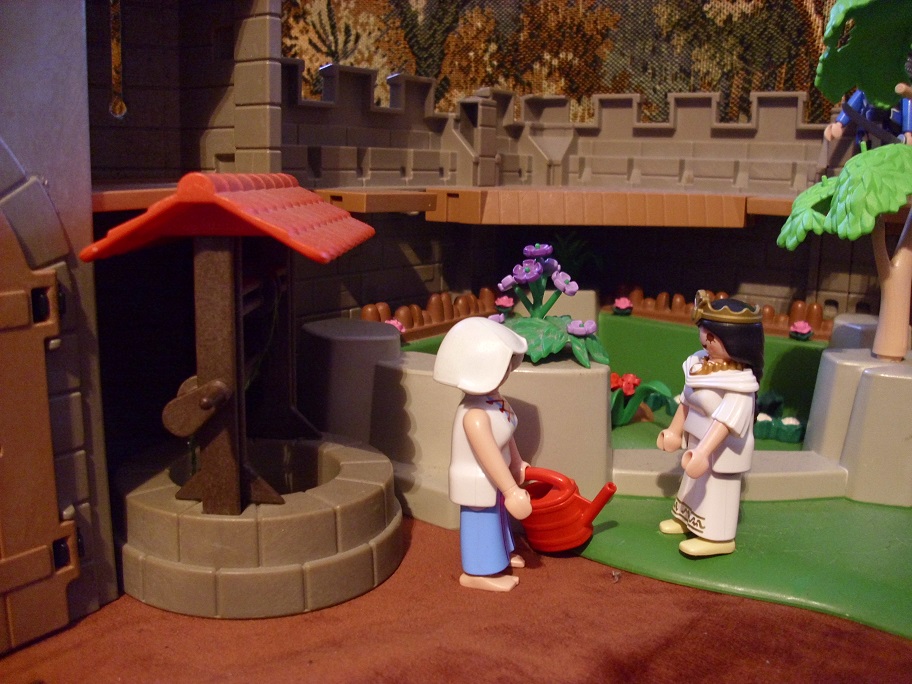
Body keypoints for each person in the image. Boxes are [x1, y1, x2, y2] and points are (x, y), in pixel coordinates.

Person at [656, 291, 764, 557]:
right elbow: (687, 399)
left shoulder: (740, 383)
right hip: (698, 441)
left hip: (722, 448)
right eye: (704, 331)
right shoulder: (697, 365)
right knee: (692, 486)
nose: (705, 339)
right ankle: (687, 520)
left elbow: (726, 421)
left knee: (717, 490)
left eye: (713, 336)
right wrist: (674, 431)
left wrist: (704, 452)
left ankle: (718, 538)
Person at [433, 317, 532, 591]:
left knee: (498, 520)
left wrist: (516, 462)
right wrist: (511, 490)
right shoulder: (475, 416)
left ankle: (500, 556)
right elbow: (488, 454)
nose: (508, 370)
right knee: (482, 524)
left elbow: (507, 435)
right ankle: (478, 572)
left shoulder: (495, 402)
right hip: (479, 482)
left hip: (495, 480)